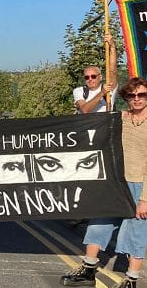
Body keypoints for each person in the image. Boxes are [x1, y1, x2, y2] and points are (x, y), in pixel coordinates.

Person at [60, 77, 147, 288]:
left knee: (136, 231)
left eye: (142, 95)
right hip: (115, 183)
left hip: (140, 184)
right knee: (99, 223)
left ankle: (131, 280)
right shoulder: (118, 119)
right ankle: (88, 269)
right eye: (132, 95)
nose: (137, 99)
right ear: (125, 98)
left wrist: (145, 198)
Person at [74, 34, 118, 113]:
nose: (90, 79)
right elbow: (84, 110)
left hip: (107, 124)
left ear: (100, 77)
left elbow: (113, 71)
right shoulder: (80, 91)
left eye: (93, 76)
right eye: (87, 77)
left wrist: (112, 47)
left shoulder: (109, 88)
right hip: (88, 125)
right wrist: (102, 93)